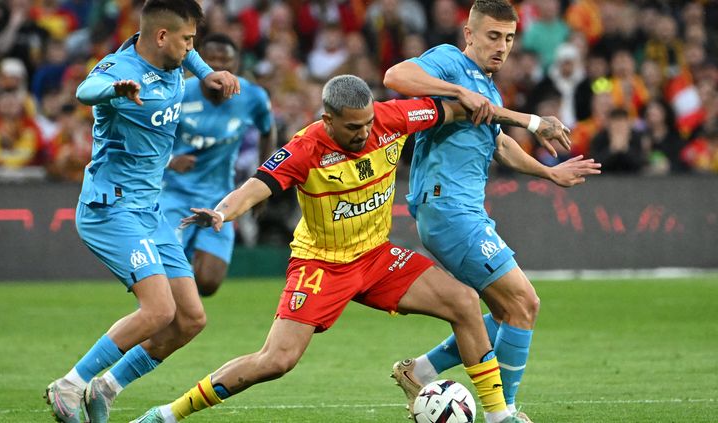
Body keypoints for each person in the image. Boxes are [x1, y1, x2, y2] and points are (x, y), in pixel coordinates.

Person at [129, 74, 572, 423]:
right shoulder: (305, 147)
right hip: (321, 265)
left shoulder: (393, 117)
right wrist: (224, 213)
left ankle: (497, 416)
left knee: (464, 301)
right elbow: (257, 185)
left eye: (367, 123)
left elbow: (460, 109)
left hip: (377, 258)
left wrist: (527, 121)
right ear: (328, 120)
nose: (364, 134)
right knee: (277, 360)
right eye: (353, 127)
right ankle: (167, 414)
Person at [382, 1, 602, 422]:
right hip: (447, 210)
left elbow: (499, 144)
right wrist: (456, 91)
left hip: (465, 212)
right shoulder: (449, 62)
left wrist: (548, 173)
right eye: (492, 36)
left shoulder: (491, 89)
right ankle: (504, 415)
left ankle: (420, 371)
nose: (502, 47)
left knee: (506, 311)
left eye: (509, 38)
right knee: (524, 302)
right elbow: (395, 76)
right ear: (468, 34)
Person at [43, 1, 240, 422]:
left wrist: (209, 74)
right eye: (187, 40)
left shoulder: (174, 60)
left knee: (189, 318)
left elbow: (192, 57)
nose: (192, 48)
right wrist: (115, 90)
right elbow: (84, 91)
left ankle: (106, 387)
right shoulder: (120, 68)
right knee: (158, 311)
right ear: (162, 37)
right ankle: (70, 384)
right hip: (109, 209)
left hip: (149, 211)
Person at [159, 33, 276, 297]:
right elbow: (147, 134)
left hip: (219, 198)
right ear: (198, 62)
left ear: (237, 66)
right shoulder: (177, 93)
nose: (219, 67)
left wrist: (264, 181)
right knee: (167, 282)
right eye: (211, 60)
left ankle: (177, 298)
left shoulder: (252, 97)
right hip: (173, 195)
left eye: (226, 61)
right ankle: (159, 317)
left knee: (209, 283)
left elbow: (268, 131)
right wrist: (169, 160)